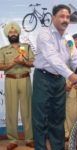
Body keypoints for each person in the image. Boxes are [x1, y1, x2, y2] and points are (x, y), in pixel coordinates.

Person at [32, 4, 77, 150]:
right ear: (53, 17)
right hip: (43, 79)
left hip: (59, 80)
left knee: (57, 119)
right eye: (62, 16)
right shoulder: (45, 34)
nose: (65, 19)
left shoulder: (68, 38)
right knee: (40, 120)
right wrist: (71, 75)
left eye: (68, 17)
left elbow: (75, 58)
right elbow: (52, 58)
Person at [0, 22, 34, 150]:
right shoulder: (3, 50)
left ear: (18, 33)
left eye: (15, 32)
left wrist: (23, 61)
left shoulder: (26, 47)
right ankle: (13, 140)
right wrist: (14, 62)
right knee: (11, 111)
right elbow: (0, 66)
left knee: (27, 110)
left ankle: (29, 138)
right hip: (10, 80)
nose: (13, 34)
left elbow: (33, 62)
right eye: (10, 32)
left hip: (25, 79)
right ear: (7, 35)